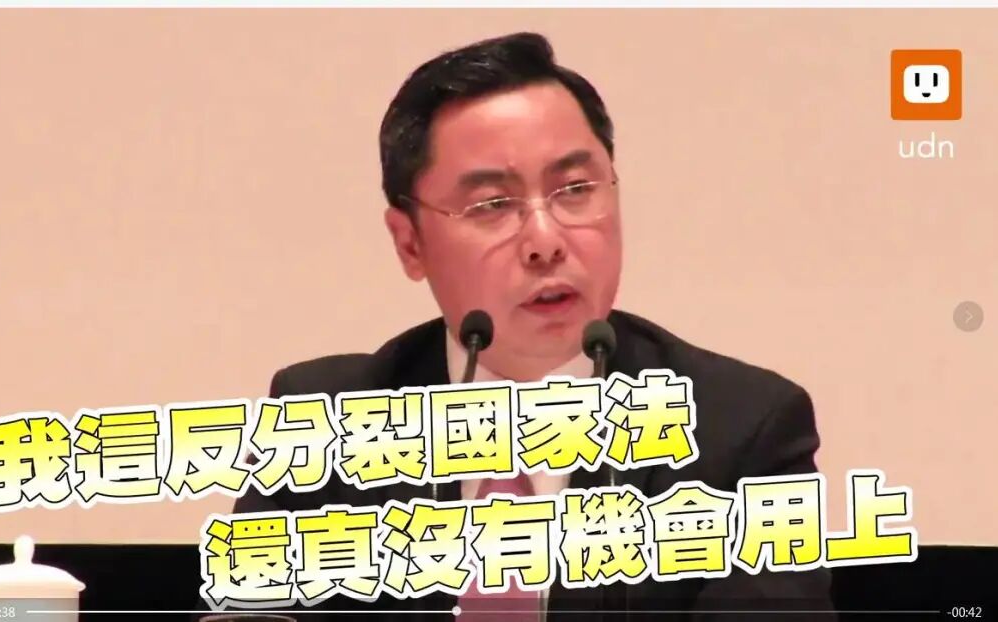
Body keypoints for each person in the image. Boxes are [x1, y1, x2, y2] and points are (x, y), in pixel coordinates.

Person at [225, 32, 832, 621]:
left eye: (575, 189)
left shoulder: (742, 434)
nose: (545, 241)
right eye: (492, 204)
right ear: (409, 243)